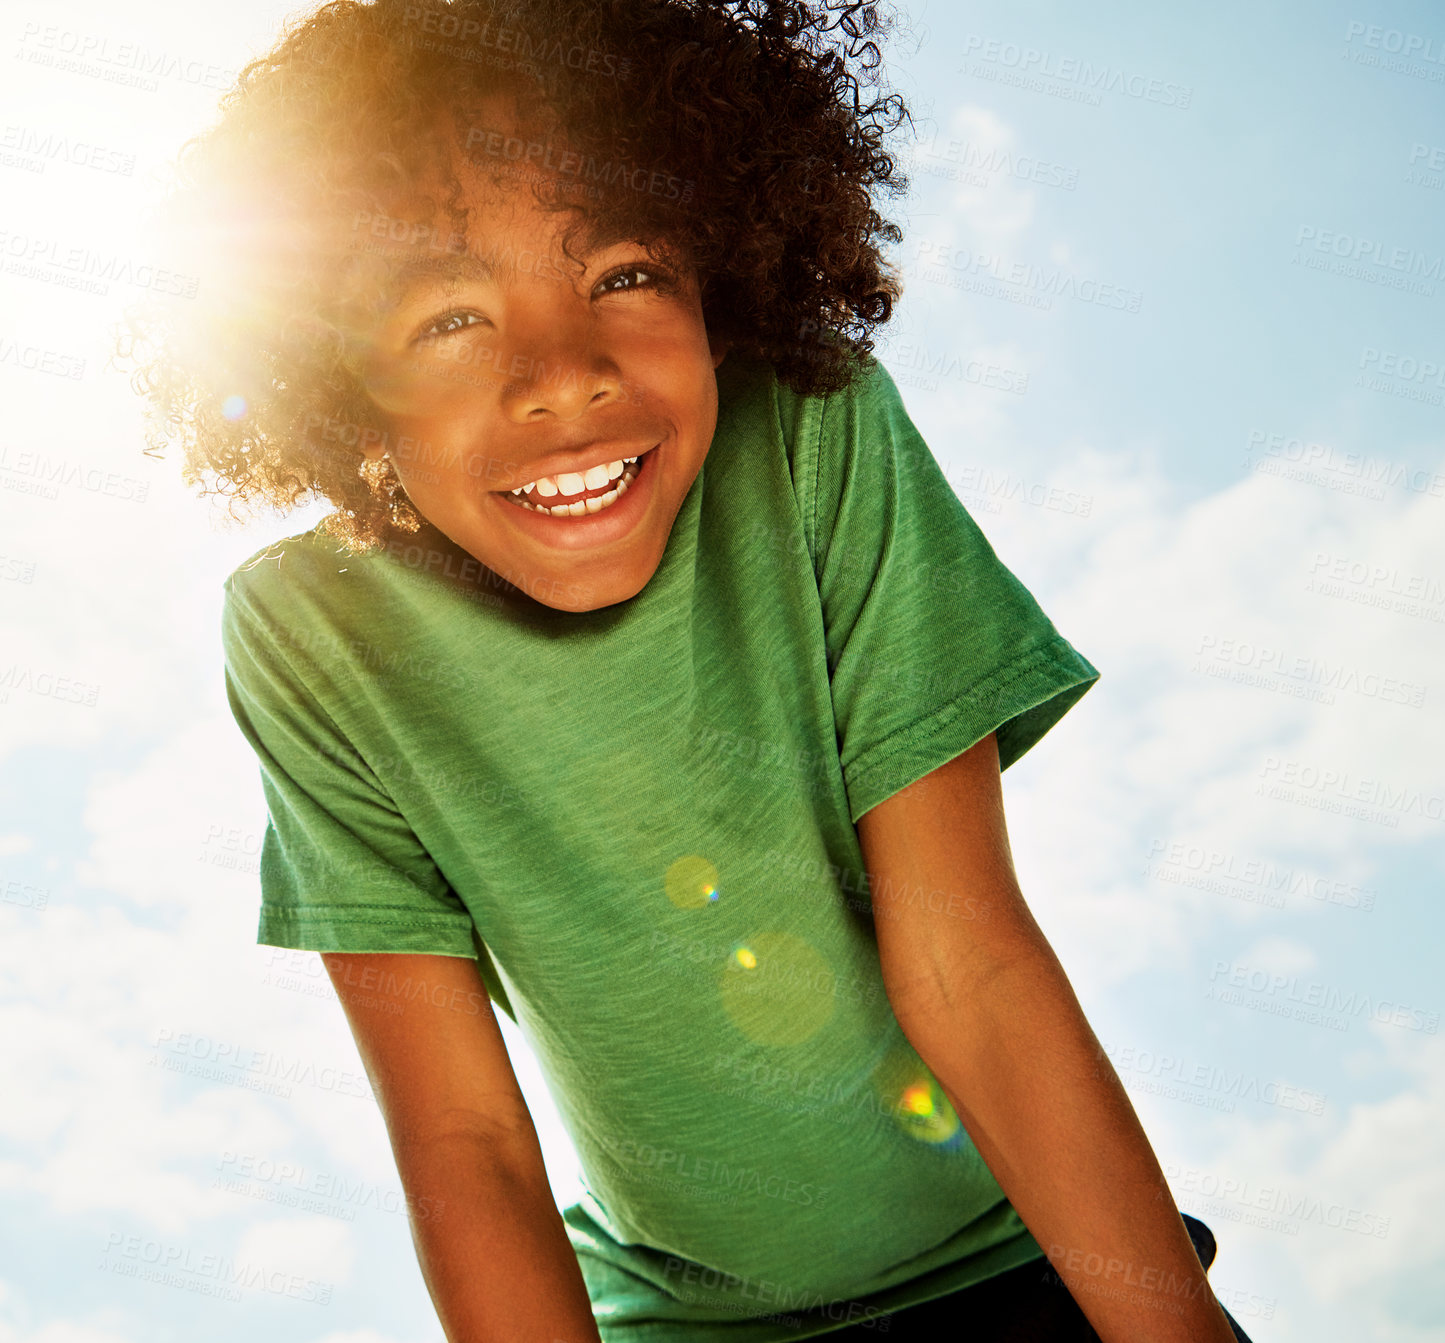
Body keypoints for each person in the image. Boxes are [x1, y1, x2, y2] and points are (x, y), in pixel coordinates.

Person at [125, 1, 1256, 1339]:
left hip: (1027, 1264)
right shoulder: (314, 638)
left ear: (725, 278)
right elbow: (465, 1141)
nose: (563, 377)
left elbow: (968, 962)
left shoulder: (814, 438)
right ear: (339, 383)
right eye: (449, 320)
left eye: (622, 275)